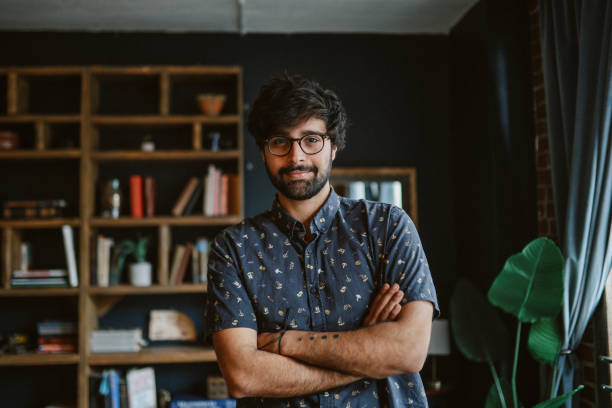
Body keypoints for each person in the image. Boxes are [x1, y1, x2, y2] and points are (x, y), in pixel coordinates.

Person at [206, 73, 439, 407]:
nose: (296, 157)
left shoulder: (388, 226)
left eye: (311, 139)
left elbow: (408, 352)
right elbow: (244, 376)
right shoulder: (234, 247)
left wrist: (286, 342)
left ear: (333, 146)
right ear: (263, 151)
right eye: (279, 141)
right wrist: (366, 353)